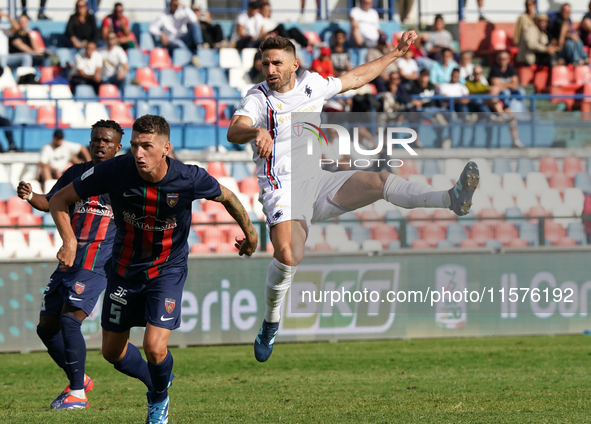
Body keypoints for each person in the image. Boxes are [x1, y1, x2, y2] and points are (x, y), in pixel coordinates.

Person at [226, 32, 480, 362]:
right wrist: (256, 130)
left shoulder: (312, 85)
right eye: (265, 63)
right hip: (282, 190)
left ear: (294, 64)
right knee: (289, 254)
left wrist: (396, 53)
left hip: (318, 182)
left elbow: (356, 77)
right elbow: (234, 129)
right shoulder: (258, 98)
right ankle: (270, 324)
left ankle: (451, 198)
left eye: (276, 63)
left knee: (379, 180)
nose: (270, 69)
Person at [49, 115, 258, 423]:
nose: (139, 153)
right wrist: (68, 241)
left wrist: (251, 235)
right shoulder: (114, 171)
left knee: (154, 347)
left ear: (165, 149)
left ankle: (158, 400)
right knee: (111, 353)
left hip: (166, 270)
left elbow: (228, 197)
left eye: (147, 146)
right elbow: (59, 199)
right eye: (135, 146)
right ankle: (159, 379)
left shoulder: (188, 178)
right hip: (123, 270)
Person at [18, 120, 123, 410]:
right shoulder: (76, 173)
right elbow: (51, 202)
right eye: (96, 139)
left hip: (95, 265)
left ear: (118, 147)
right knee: (46, 328)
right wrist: (30, 196)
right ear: (90, 142)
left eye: (107, 141)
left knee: (69, 320)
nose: (101, 144)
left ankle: (77, 393)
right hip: (68, 260)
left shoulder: (125, 181)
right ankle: (80, 378)